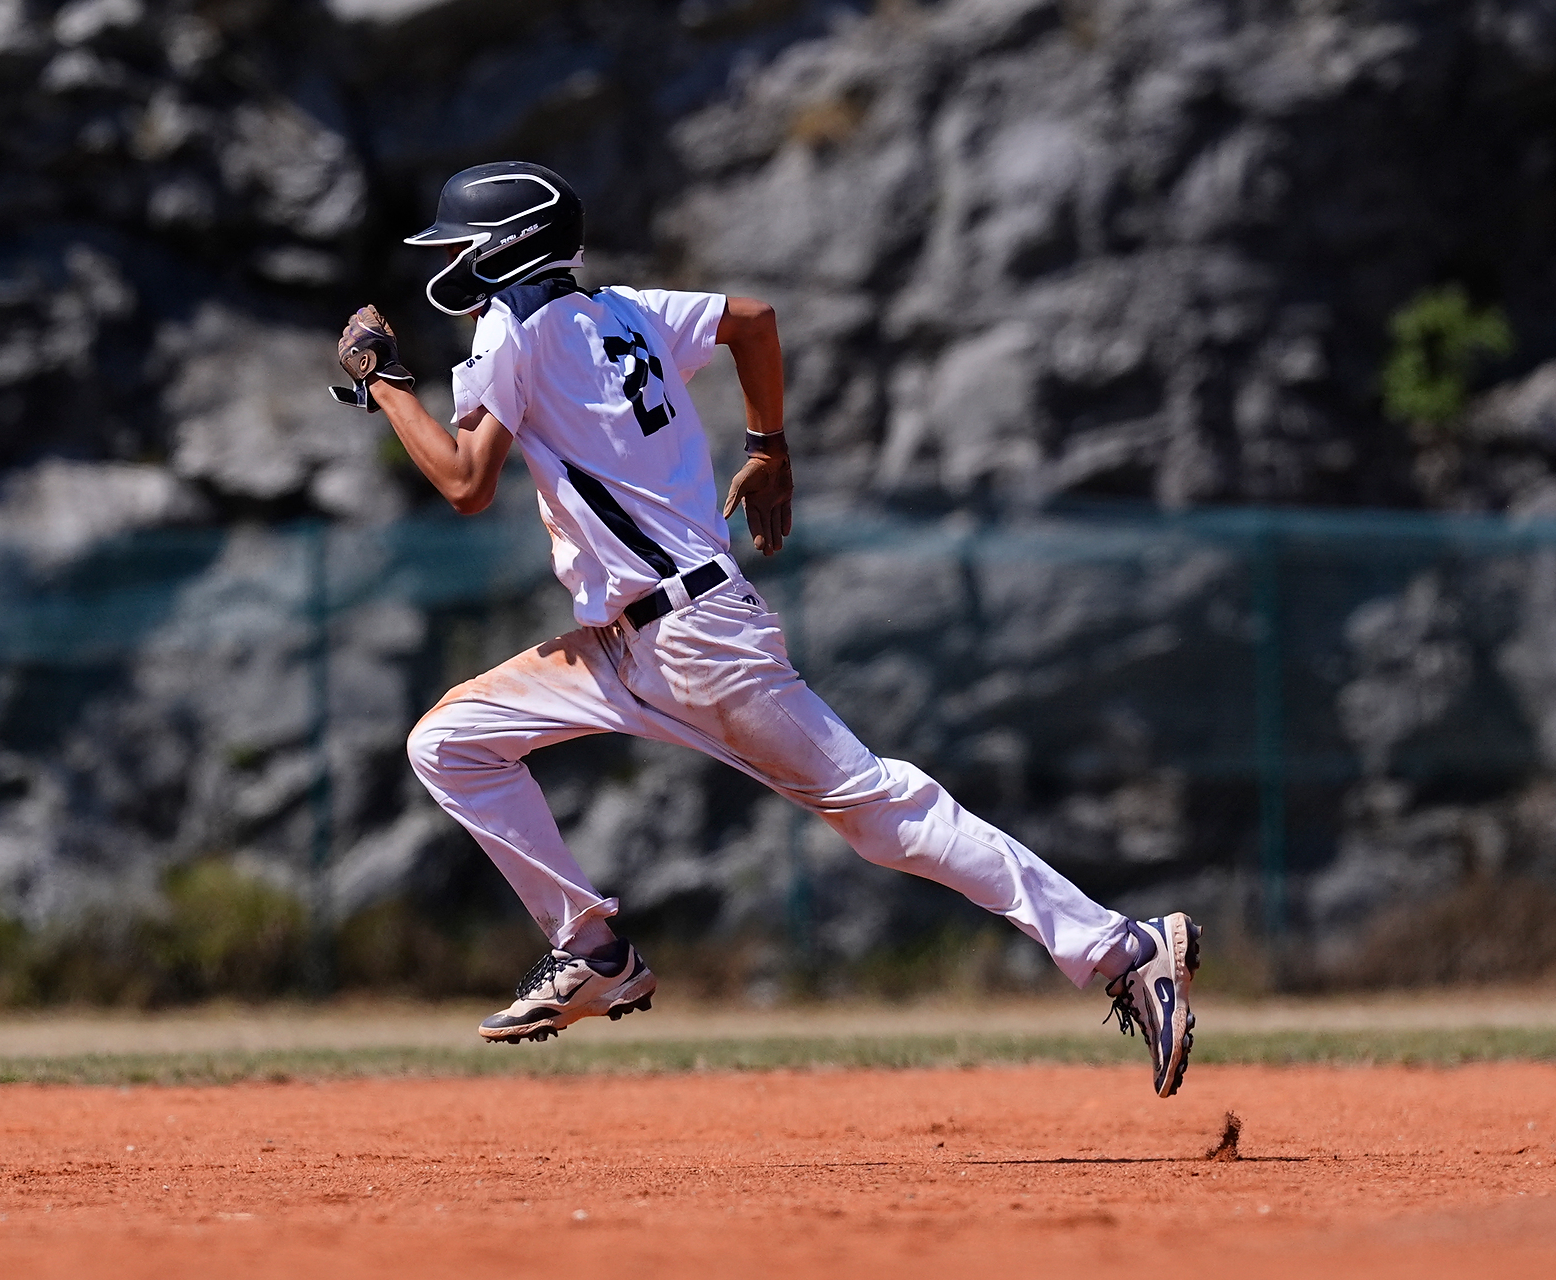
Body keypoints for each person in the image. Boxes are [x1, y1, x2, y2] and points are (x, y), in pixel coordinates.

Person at [332, 161, 1200, 1096]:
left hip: (694, 644)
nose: (454, 260)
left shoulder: (514, 325)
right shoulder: (626, 310)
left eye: (465, 242)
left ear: (509, 246)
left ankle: (1125, 948)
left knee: (883, 814)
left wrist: (386, 382)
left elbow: (466, 482)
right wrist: (768, 443)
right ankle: (592, 950)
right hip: (630, 640)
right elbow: (753, 320)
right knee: (451, 742)